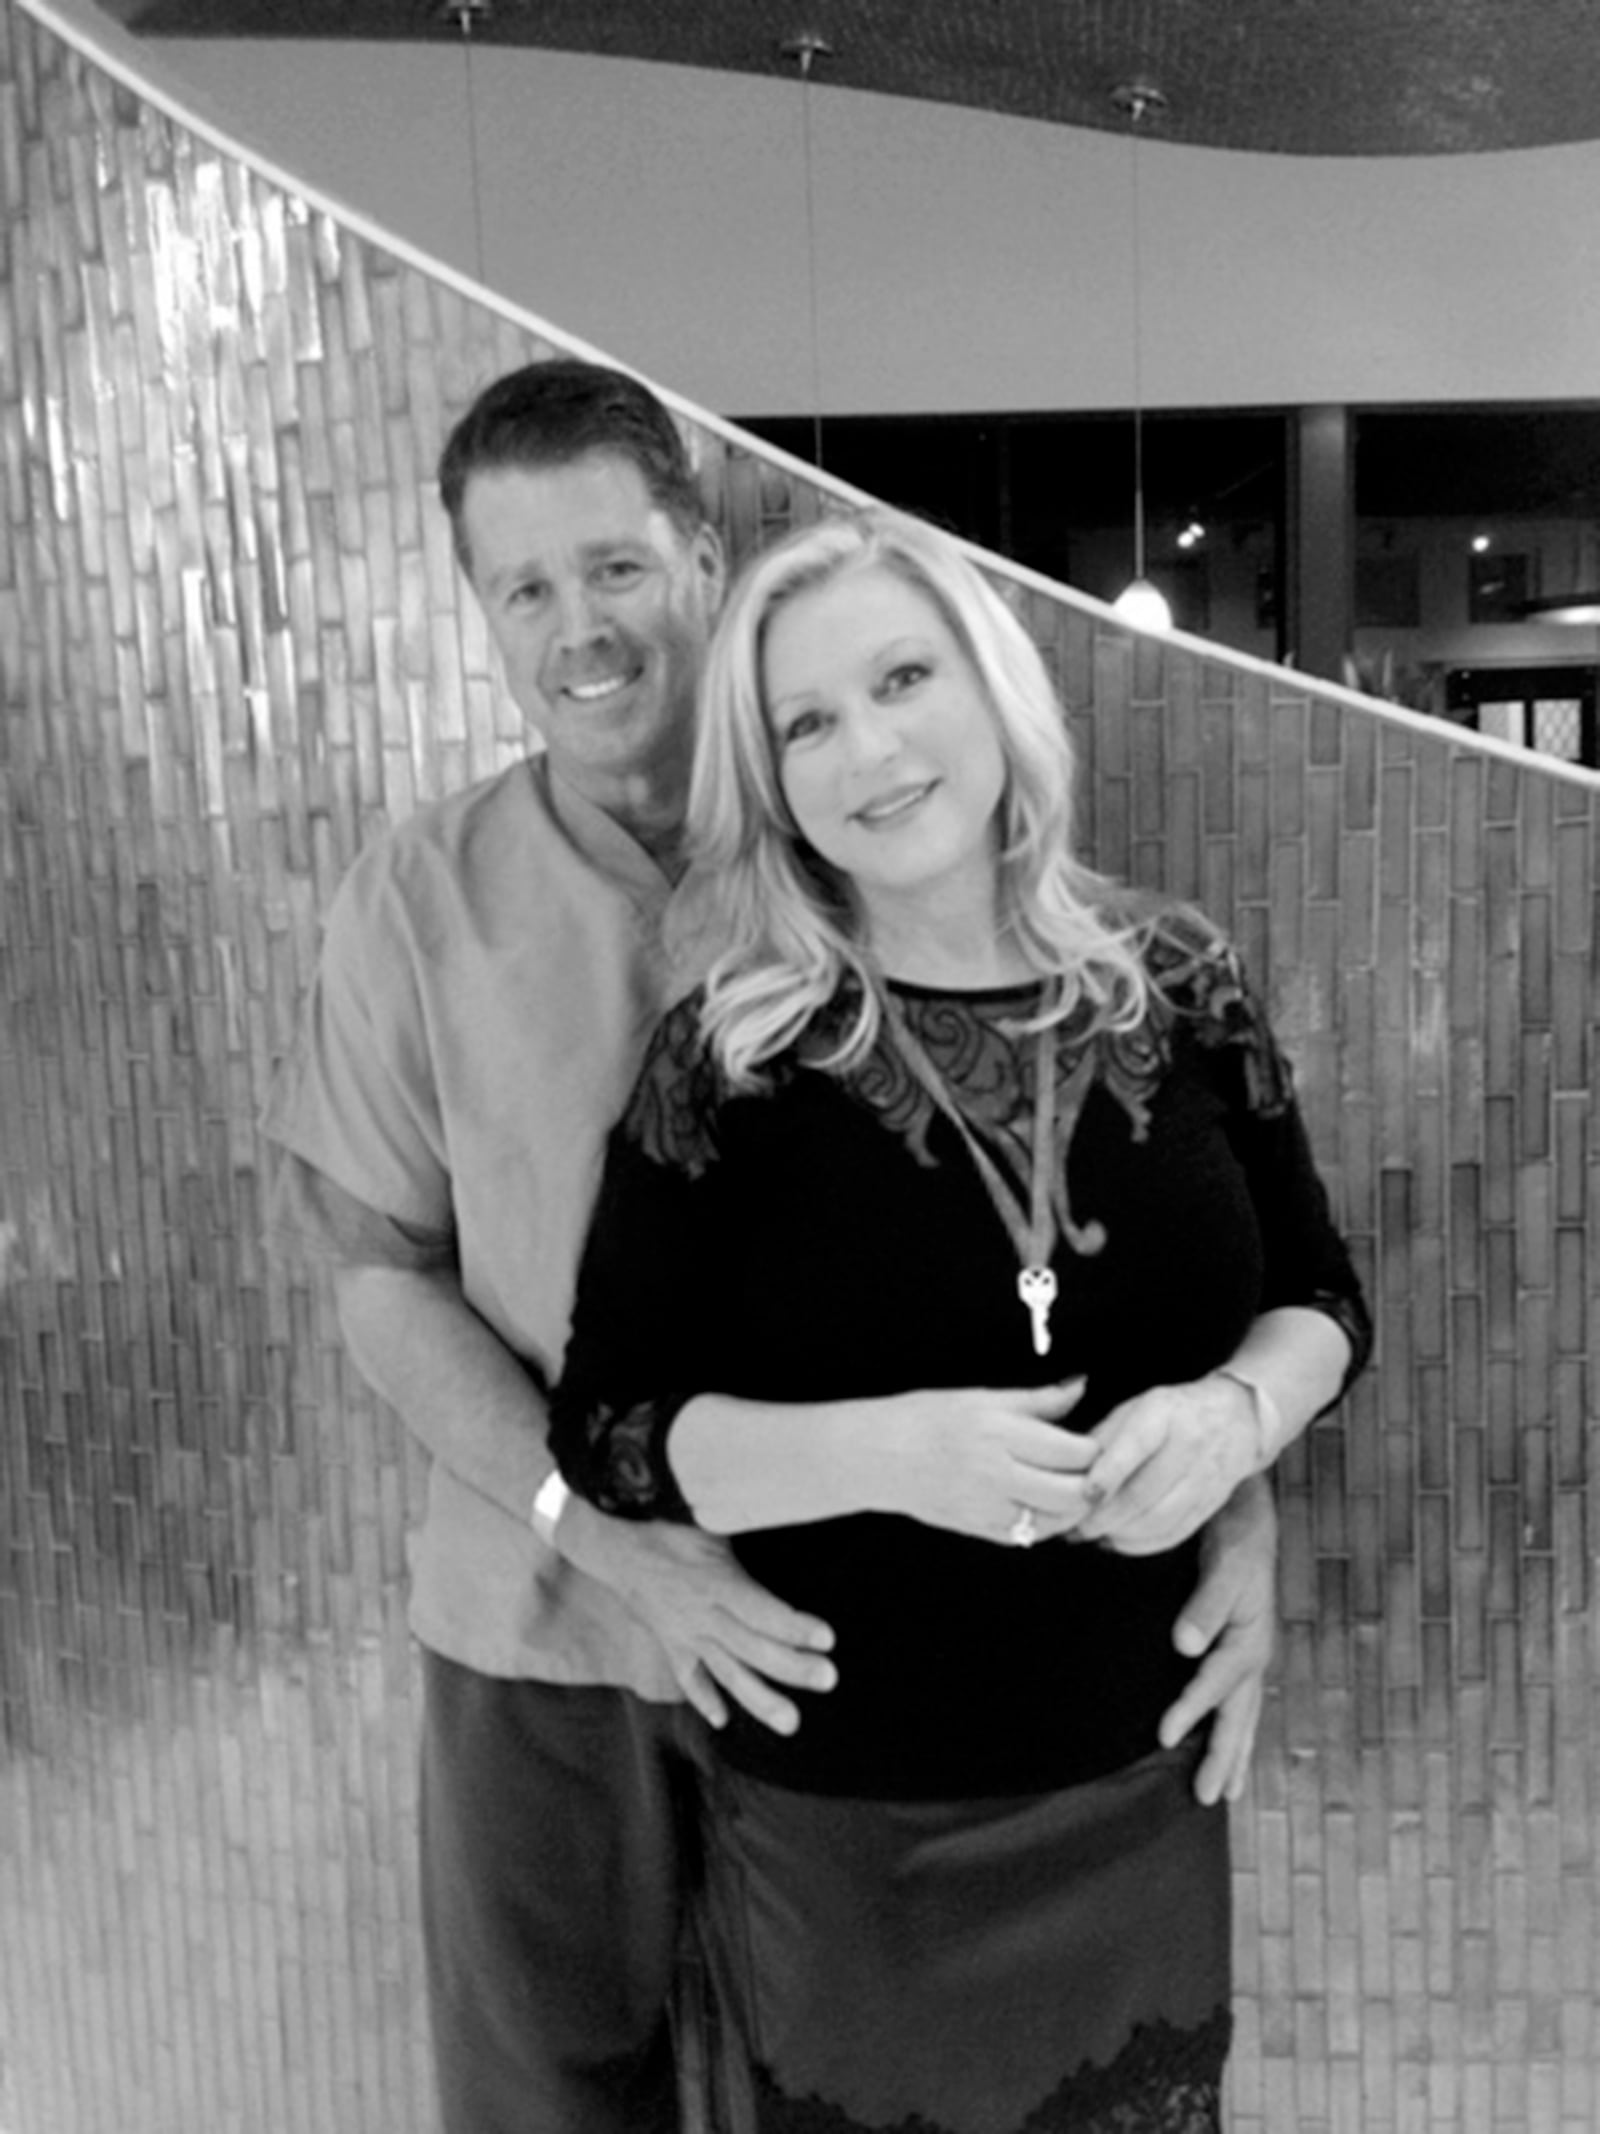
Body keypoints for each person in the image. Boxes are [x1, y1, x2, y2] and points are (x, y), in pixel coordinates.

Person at [264, 360, 1289, 2134]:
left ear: (703, 556)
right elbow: (380, 1278)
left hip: (884, 1670)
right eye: (522, 589)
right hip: (554, 1637)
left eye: (613, 567)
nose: (575, 628)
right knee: (554, 2097)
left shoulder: (899, 851)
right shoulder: (419, 898)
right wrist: (618, 1542)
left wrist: (1235, 1481)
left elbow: (1149, 1251)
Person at [548, 507, 1372, 2134]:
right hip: (855, 1827)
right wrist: (887, 1454)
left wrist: (1236, 1421)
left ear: (996, 695)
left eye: (903, 676)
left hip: (1140, 1784)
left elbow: (1320, 1297)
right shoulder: (734, 1053)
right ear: (772, 781)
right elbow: (612, 1433)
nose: (869, 746)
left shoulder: (1178, 980)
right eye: (806, 721)